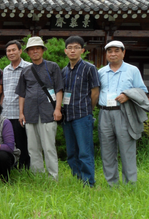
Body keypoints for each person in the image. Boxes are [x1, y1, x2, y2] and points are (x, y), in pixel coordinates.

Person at [98, 40, 149, 186]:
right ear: (106, 54)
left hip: (124, 112)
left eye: (116, 51)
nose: (113, 54)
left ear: (123, 52)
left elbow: (142, 91)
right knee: (107, 151)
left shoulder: (132, 70)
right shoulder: (101, 72)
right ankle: (111, 184)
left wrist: (128, 95)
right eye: (109, 51)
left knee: (127, 149)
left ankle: (130, 184)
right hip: (104, 113)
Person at [16, 36, 63, 181]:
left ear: (42, 50)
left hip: (48, 112)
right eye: (32, 49)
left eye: (37, 48)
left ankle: (53, 176)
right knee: (33, 148)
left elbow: (59, 89)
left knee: (49, 147)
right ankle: (38, 176)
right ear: (28, 53)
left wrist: (58, 109)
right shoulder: (26, 71)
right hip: (30, 114)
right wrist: (21, 113)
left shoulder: (53, 67)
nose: (35, 51)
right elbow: (22, 94)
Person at [61, 36, 100, 187]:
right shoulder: (63, 71)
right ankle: (78, 180)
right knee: (71, 153)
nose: (72, 50)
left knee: (85, 151)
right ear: (65, 51)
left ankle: (89, 182)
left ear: (82, 50)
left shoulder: (90, 68)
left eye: (76, 47)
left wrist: (89, 110)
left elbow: (95, 92)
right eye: (69, 47)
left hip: (83, 115)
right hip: (67, 116)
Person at [2, 40, 31, 169]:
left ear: (20, 51)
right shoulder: (6, 69)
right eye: (8, 51)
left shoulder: (28, 67)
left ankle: (24, 168)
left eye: (14, 50)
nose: (11, 53)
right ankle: (12, 167)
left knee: (22, 142)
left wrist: (23, 112)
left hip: (21, 112)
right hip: (6, 113)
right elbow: (4, 91)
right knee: (9, 142)